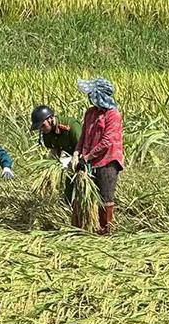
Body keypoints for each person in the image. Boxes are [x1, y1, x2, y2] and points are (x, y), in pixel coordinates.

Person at [76, 78, 124, 235]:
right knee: (85, 194)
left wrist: (88, 156)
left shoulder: (113, 115)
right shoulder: (90, 113)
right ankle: (84, 227)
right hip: (88, 159)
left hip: (108, 160)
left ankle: (105, 230)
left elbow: (107, 141)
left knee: (105, 196)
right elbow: (84, 135)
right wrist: (78, 153)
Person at [30, 104, 87, 225]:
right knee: (69, 189)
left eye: (43, 125)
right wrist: (50, 169)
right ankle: (69, 216)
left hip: (83, 159)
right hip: (69, 162)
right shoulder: (47, 132)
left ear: (50, 119)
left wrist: (77, 159)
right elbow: (54, 150)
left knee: (84, 190)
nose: (42, 129)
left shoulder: (71, 126)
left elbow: (83, 145)